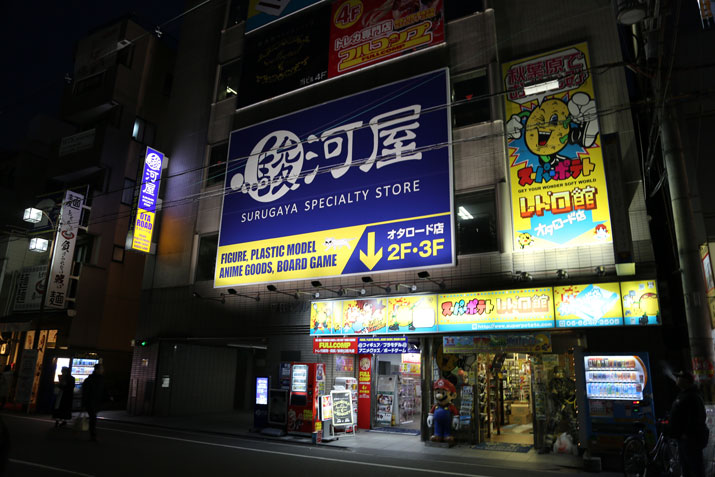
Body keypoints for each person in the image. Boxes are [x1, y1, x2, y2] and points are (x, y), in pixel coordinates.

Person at [669, 370, 707, 477]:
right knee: (687, 468)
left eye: (679, 377)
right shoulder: (684, 394)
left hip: (690, 440)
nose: (677, 379)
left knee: (695, 468)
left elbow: (698, 418)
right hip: (683, 439)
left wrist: (686, 434)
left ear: (686, 381)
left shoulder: (692, 396)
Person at [81, 363, 106, 441]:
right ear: (97, 370)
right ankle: (93, 434)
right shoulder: (94, 380)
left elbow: (103, 390)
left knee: (93, 417)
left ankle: (92, 433)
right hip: (91, 401)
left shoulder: (93, 379)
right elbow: (86, 392)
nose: (103, 370)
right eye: (101, 369)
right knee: (93, 417)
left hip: (95, 401)